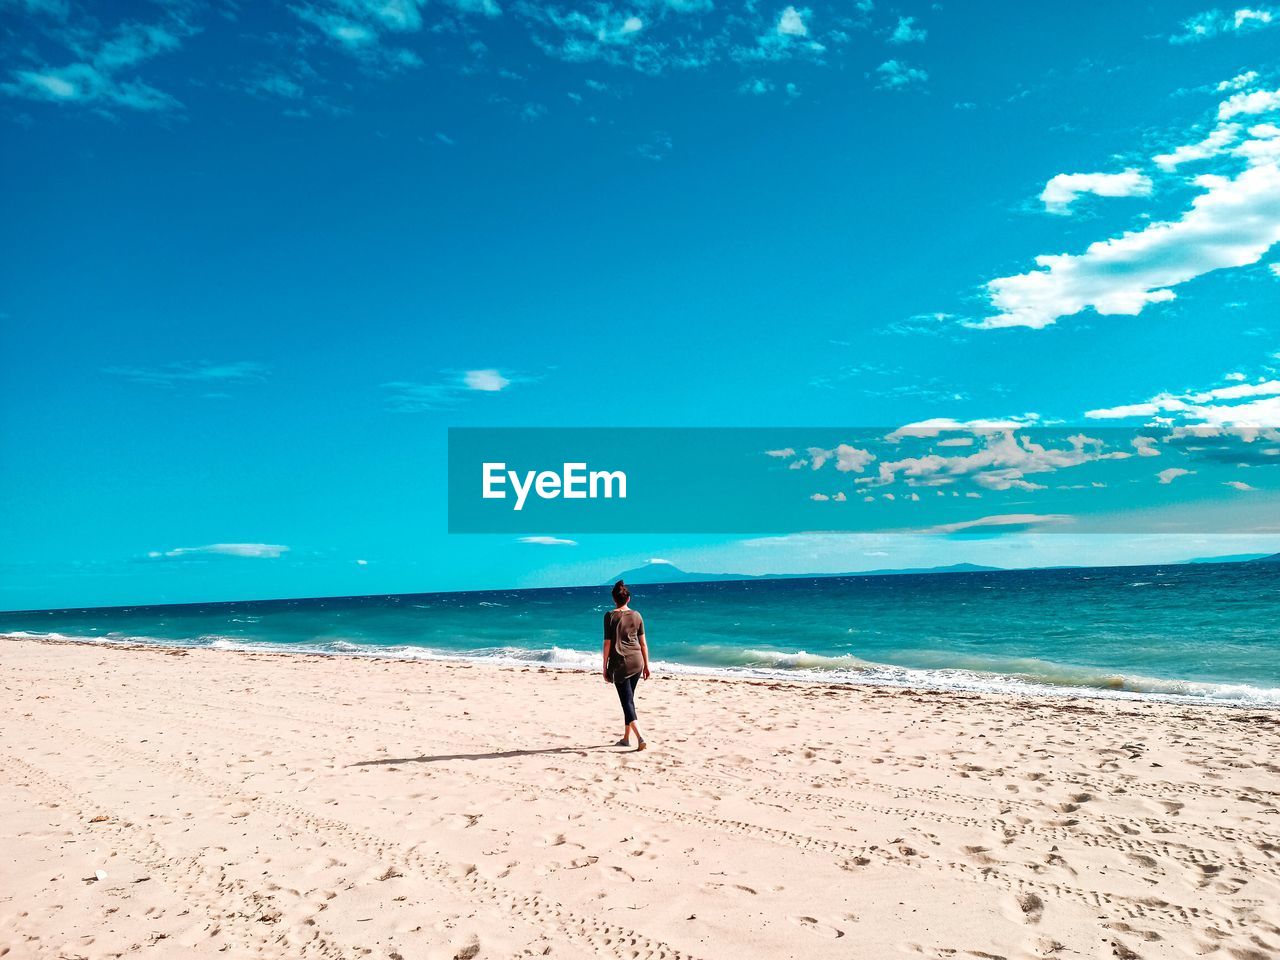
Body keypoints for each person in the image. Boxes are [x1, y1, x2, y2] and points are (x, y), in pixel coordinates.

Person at [602, 579, 650, 750]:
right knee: (628, 700)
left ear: (614, 599)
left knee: (627, 702)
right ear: (628, 599)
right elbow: (643, 643)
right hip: (637, 661)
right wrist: (646, 665)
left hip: (620, 664)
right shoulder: (637, 615)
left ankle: (640, 737)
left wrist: (604, 667)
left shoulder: (609, 616)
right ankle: (626, 738)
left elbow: (607, 643)